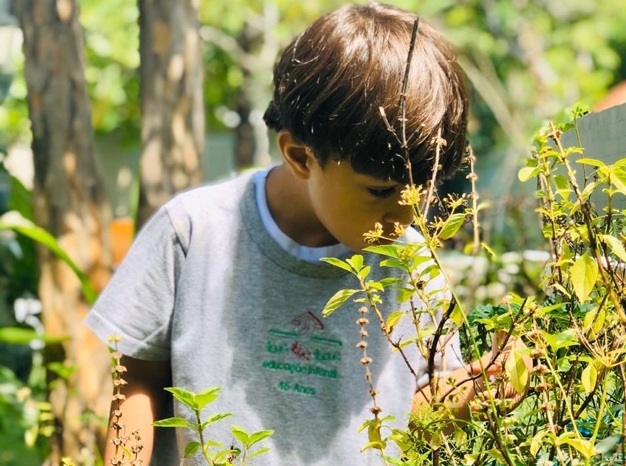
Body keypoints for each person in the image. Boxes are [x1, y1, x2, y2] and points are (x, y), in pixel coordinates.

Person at [86, 3, 526, 465]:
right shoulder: (195, 234)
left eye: (422, 190)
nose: (406, 215)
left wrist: (478, 391)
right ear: (300, 156)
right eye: (381, 190)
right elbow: (135, 379)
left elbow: (413, 413)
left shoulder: (412, 266)